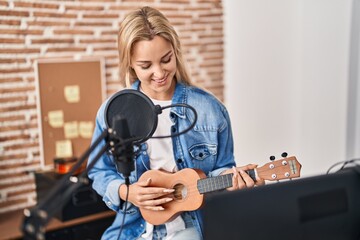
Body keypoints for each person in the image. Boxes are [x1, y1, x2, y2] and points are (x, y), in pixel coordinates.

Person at [87, 6, 264, 240]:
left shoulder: (210, 110)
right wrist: (126, 192)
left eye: (166, 59)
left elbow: (222, 168)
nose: (159, 73)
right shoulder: (114, 112)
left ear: (175, 51)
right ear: (130, 63)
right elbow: (99, 170)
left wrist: (234, 181)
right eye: (146, 66)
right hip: (132, 229)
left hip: (191, 228)